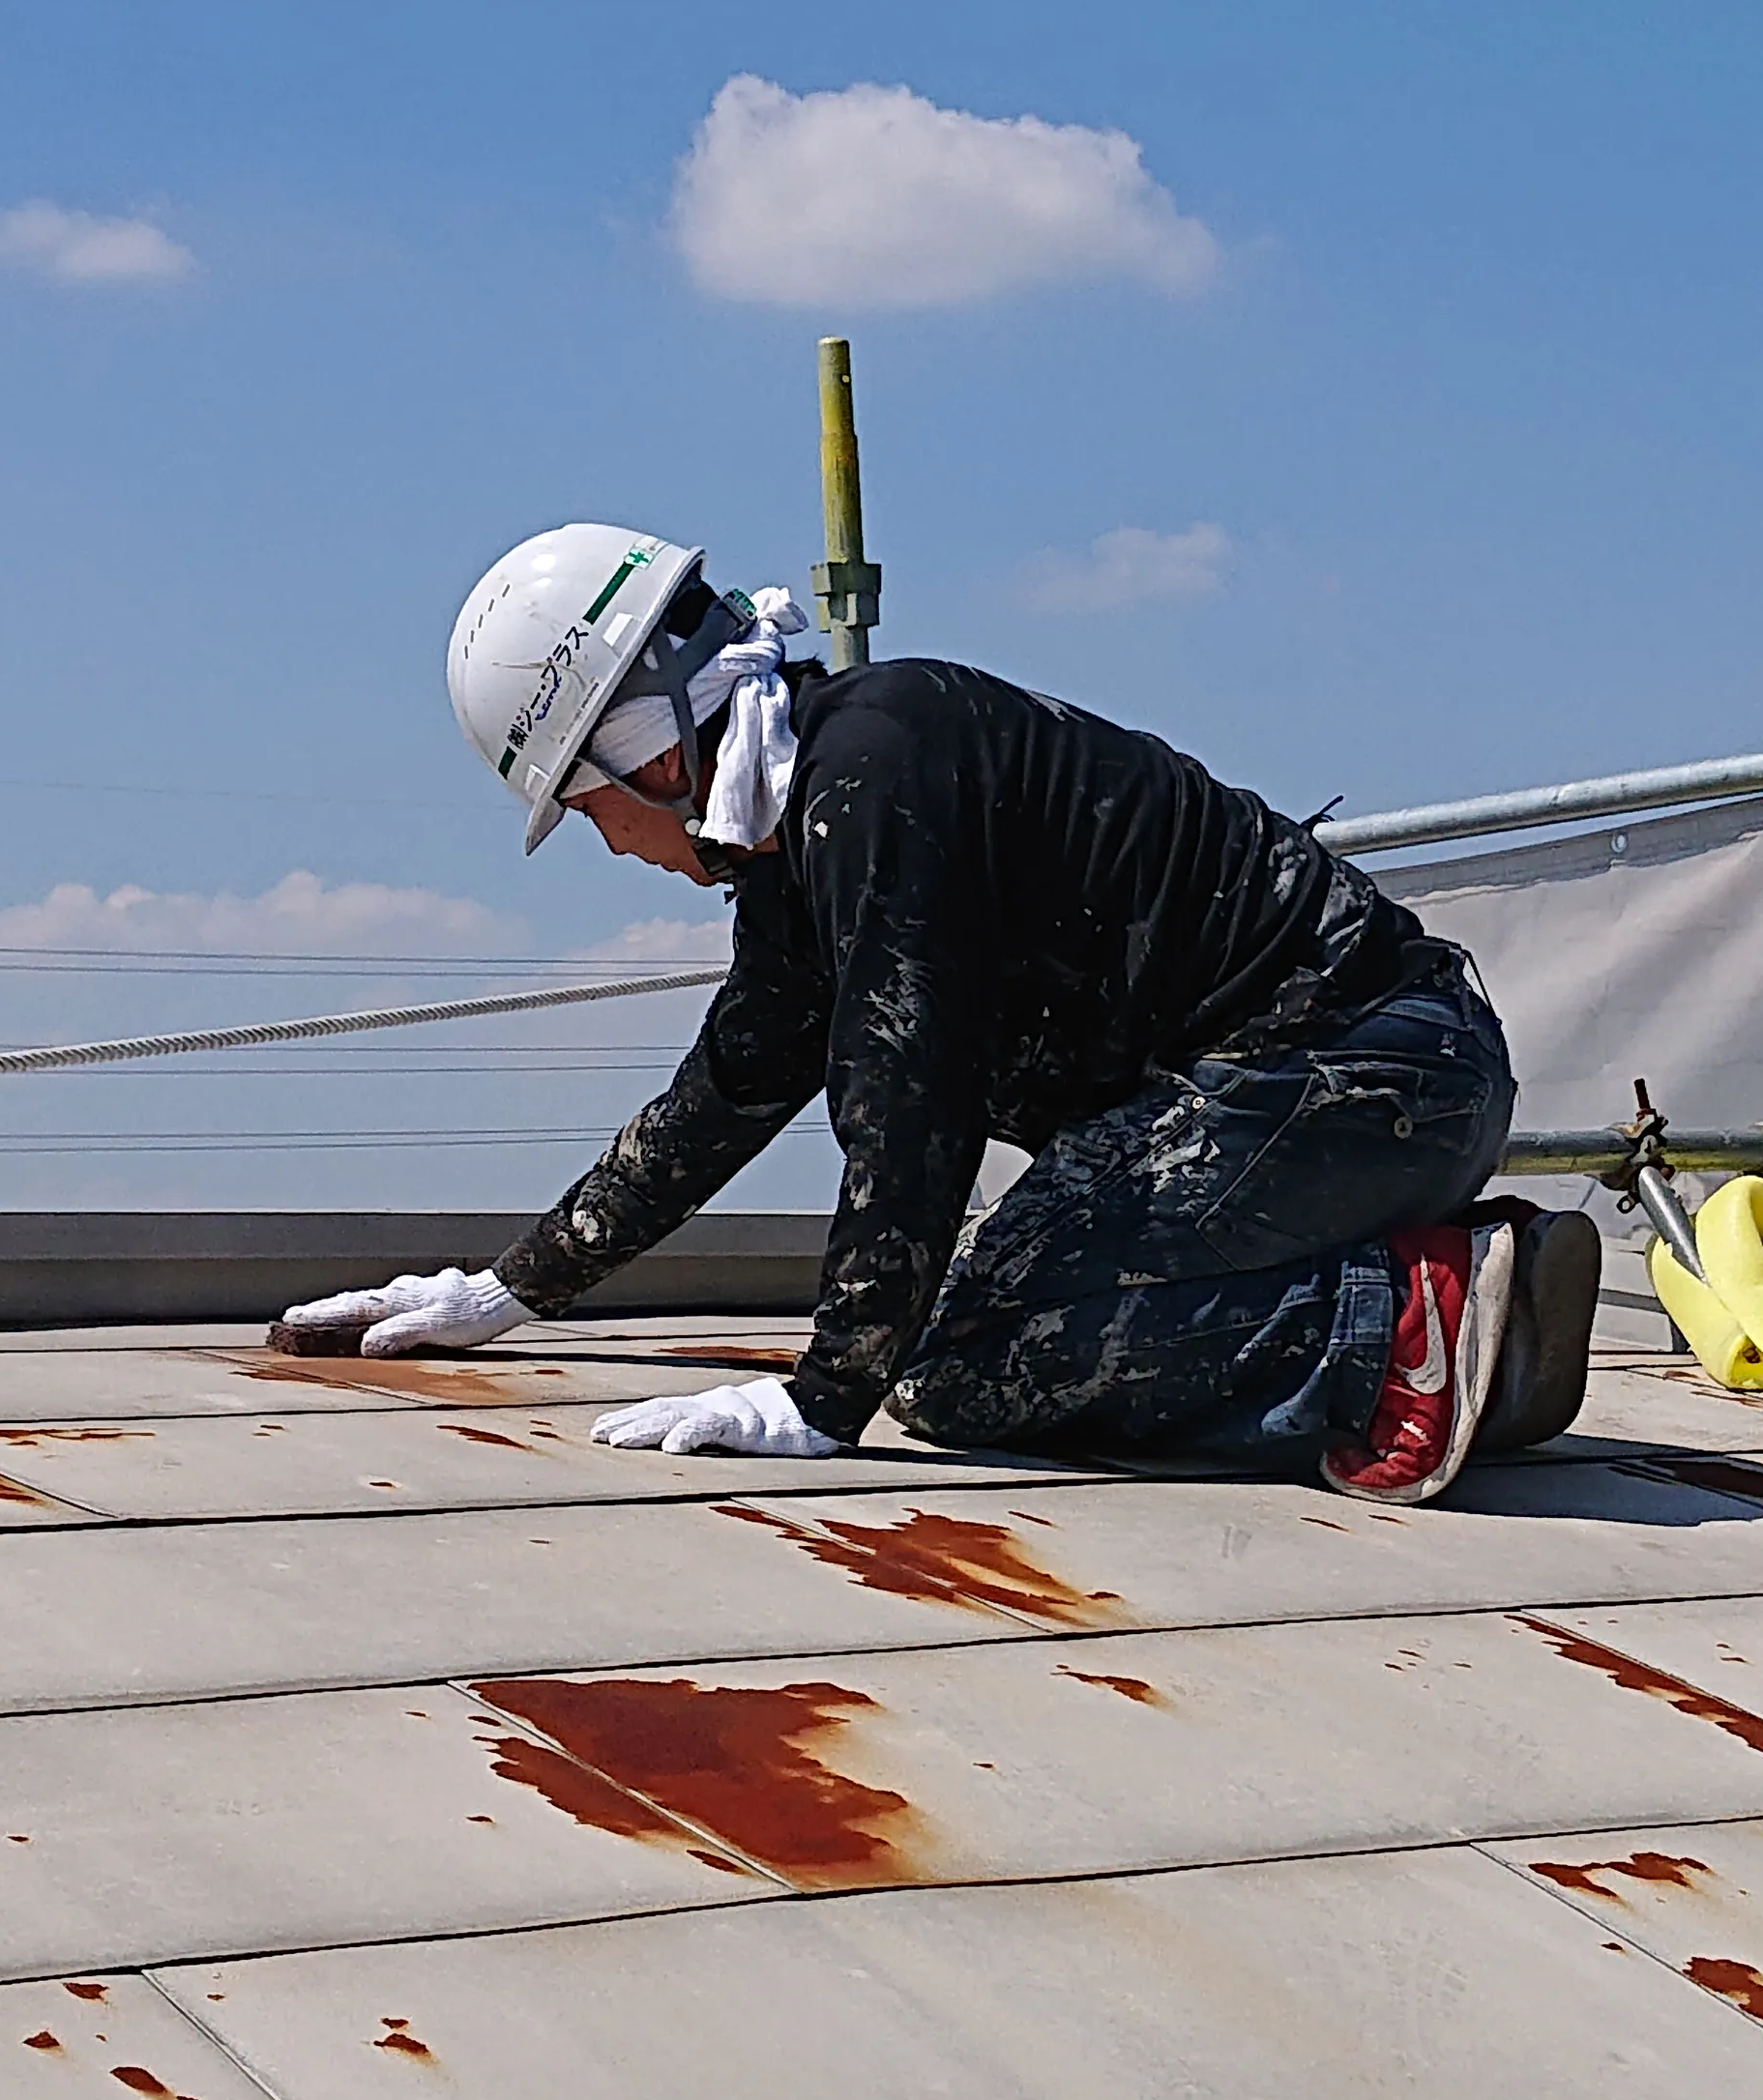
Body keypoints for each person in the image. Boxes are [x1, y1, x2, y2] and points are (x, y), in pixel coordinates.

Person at [279, 525, 1600, 1502]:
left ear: (651, 750)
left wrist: (825, 1397)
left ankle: (1388, 1327)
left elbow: (909, 1100)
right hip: (1335, 1095)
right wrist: (507, 1293)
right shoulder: (811, 827)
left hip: (1358, 1075)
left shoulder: (877, 773)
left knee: (966, 1366)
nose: (608, 847)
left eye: (584, 808)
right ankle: (1443, 1303)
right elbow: (730, 1089)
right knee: (969, 1340)